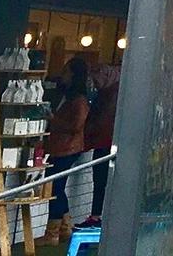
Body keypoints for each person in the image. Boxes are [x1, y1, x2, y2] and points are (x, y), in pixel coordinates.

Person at [44, 57, 91, 235]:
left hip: (67, 148)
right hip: (62, 147)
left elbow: (76, 126)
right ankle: (64, 226)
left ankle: (54, 229)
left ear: (73, 75)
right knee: (56, 185)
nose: (62, 75)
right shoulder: (69, 96)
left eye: (66, 71)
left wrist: (53, 119)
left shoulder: (78, 100)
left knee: (55, 186)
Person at [82, 63, 119, 226]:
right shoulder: (112, 92)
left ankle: (97, 216)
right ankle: (99, 215)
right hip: (105, 142)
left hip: (104, 144)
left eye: (97, 81)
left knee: (101, 180)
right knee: (101, 181)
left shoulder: (110, 96)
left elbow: (102, 122)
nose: (95, 85)